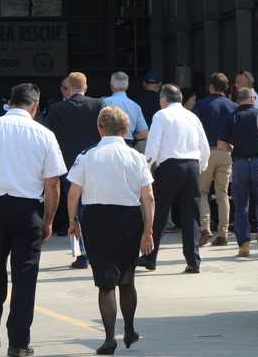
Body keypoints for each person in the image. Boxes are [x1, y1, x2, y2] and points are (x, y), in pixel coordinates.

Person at [0, 83, 67, 357]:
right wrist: (48, 220)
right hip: (28, 210)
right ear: (34, 106)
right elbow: (53, 183)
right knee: (25, 276)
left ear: (9, 103)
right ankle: (19, 342)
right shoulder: (44, 134)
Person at [66, 106, 157, 355]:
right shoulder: (136, 157)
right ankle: (128, 328)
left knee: (105, 283)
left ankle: (108, 338)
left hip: (96, 218)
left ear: (100, 127)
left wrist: (73, 220)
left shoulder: (87, 156)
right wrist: (147, 231)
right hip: (128, 218)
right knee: (127, 279)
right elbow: (148, 197)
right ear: (127, 129)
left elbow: (74, 192)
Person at [139, 84, 209, 273]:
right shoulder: (192, 116)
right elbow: (205, 147)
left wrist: (146, 170)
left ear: (163, 99)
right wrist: (199, 167)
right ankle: (193, 262)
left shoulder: (161, 115)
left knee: (159, 213)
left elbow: (153, 147)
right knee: (191, 216)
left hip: (170, 167)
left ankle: (149, 257)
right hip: (192, 166)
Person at [39, 71, 104, 262]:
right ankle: (97, 249)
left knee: (74, 209)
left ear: (68, 88)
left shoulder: (57, 108)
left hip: (68, 164)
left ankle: (81, 253)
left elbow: (47, 136)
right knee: (95, 206)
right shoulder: (99, 105)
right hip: (95, 162)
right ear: (85, 87)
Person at [224, 87, 258, 257]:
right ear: (253, 98)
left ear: (238, 99)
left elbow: (222, 144)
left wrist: (234, 149)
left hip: (239, 164)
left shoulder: (233, 117)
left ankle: (244, 245)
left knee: (240, 207)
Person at [191, 73, 236, 247]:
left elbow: (193, 130)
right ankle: (223, 233)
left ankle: (205, 229)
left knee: (202, 192)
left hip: (207, 152)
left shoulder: (201, 105)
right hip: (226, 153)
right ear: (226, 88)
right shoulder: (233, 106)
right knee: (222, 193)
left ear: (211, 87)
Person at [101, 72, 148, 147]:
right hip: (128, 144)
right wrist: (132, 136)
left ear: (111, 86)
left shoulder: (103, 102)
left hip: (107, 144)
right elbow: (144, 133)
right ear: (127, 86)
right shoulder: (135, 106)